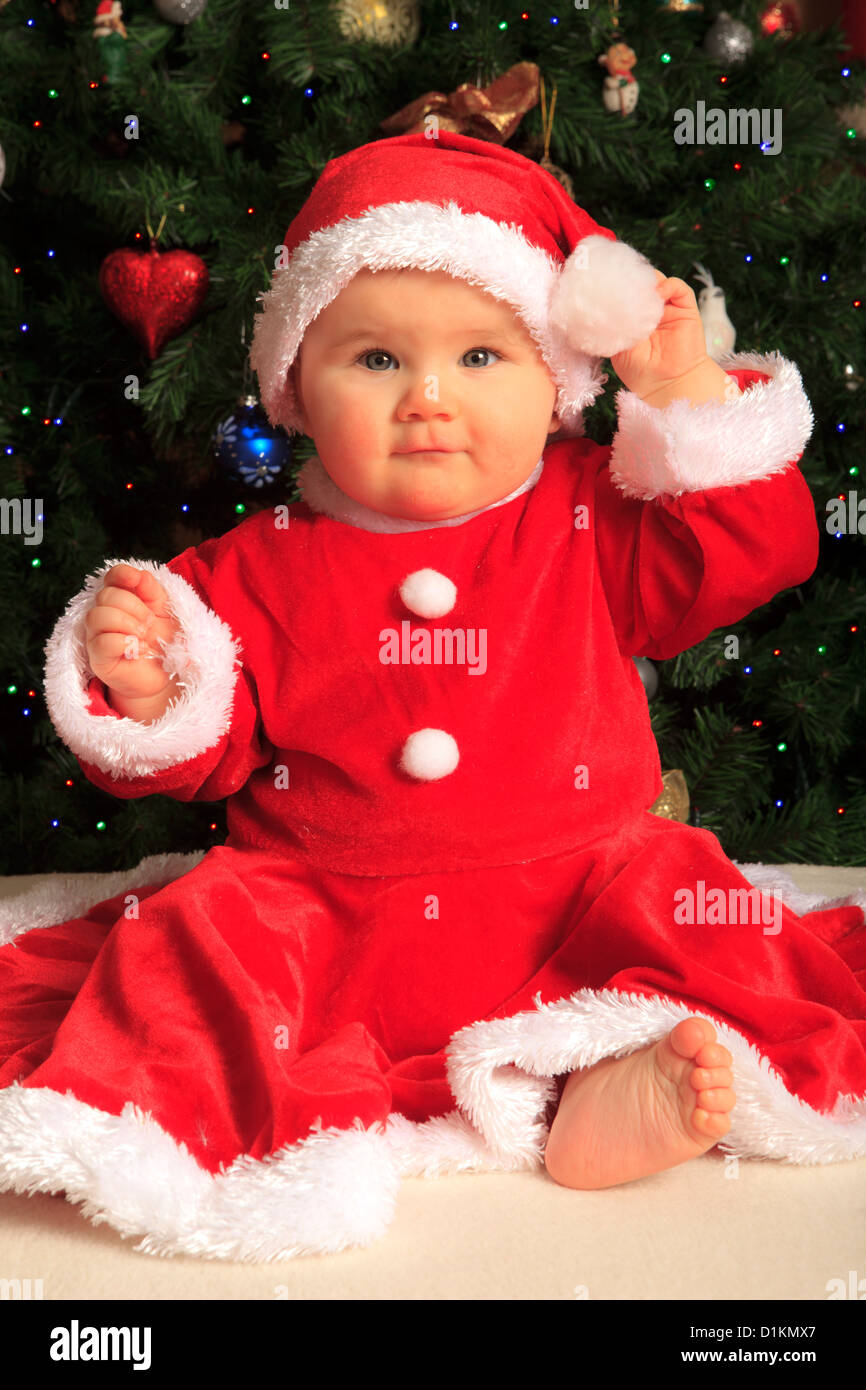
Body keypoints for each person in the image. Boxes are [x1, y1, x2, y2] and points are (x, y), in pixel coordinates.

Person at [2, 132, 864, 1263]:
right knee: (195, 969)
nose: (426, 400)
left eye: (478, 359)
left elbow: (747, 552)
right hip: (323, 916)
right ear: (295, 386)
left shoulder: (587, 514)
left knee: (709, 950)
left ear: (555, 382)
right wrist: (152, 681)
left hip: (572, 890)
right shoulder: (253, 563)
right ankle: (531, 1079)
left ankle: (597, 1083)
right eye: (373, 361)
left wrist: (688, 393)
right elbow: (206, 755)